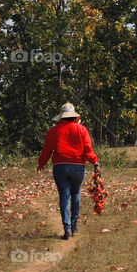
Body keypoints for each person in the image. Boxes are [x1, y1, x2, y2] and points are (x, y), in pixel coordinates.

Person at [37, 103, 99, 240]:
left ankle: (67, 228)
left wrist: (42, 163)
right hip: (78, 167)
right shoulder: (82, 130)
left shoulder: (53, 131)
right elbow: (88, 149)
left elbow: (47, 150)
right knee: (76, 194)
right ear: (74, 117)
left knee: (64, 196)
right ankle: (74, 224)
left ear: (61, 117)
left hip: (60, 167)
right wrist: (95, 162)